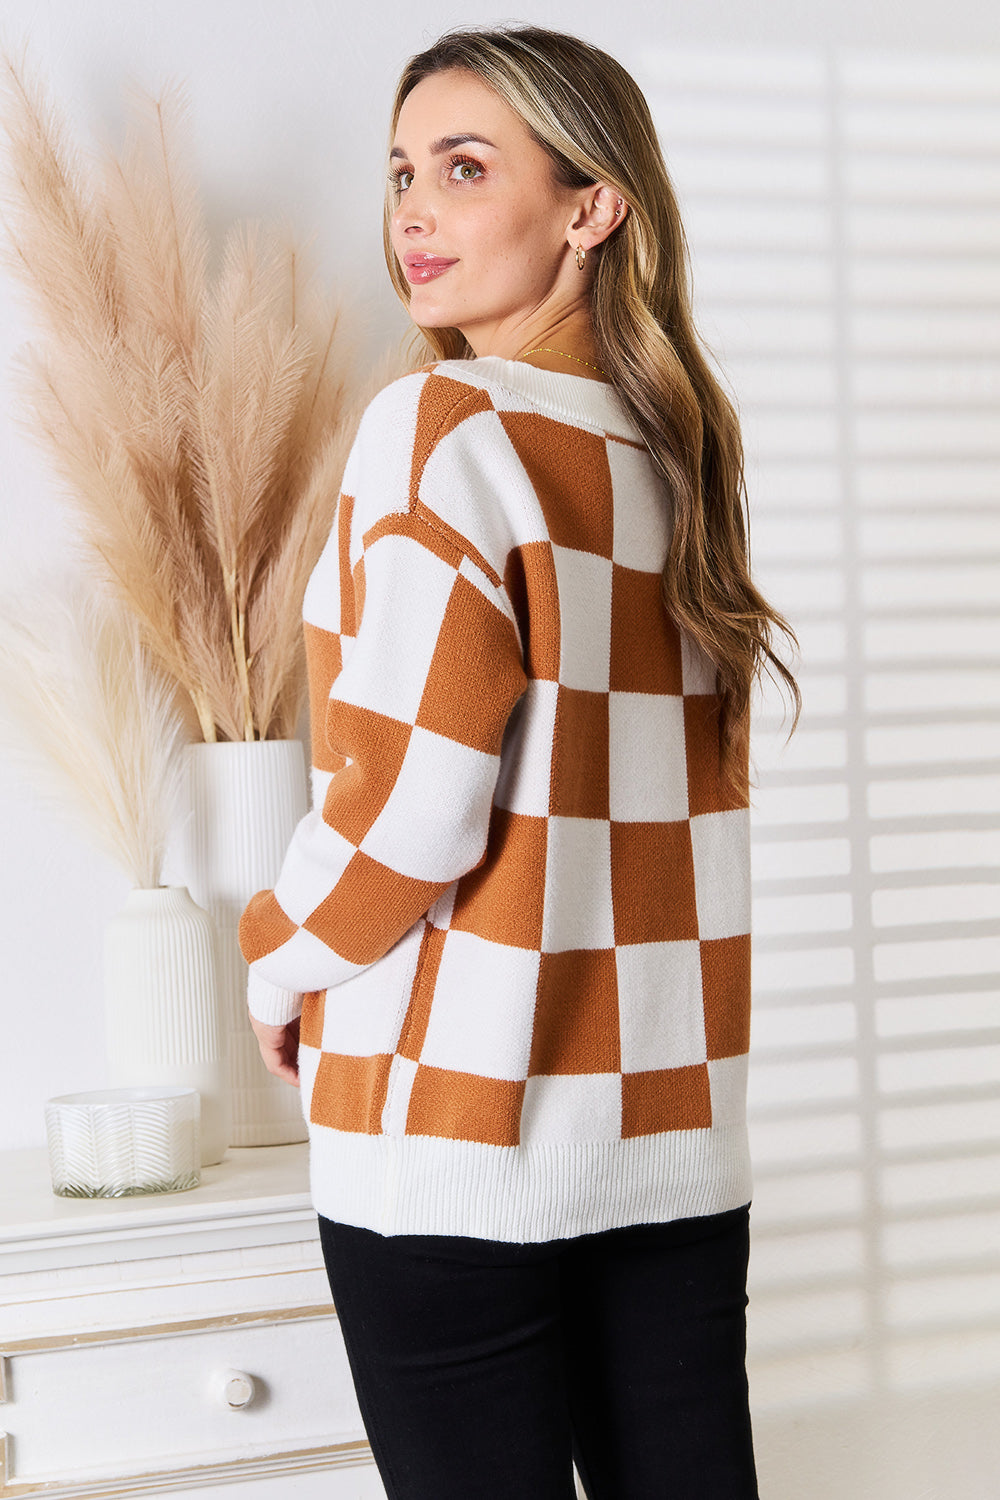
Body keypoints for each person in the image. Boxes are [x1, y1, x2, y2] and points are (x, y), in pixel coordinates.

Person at [238, 22, 798, 1500]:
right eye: (403, 171)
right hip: (670, 1135)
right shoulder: (677, 455)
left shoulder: (442, 425)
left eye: (466, 168)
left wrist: (276, 957)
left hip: (457, 1135)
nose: (413, 209)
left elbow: (409, 802)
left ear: (590, 204)